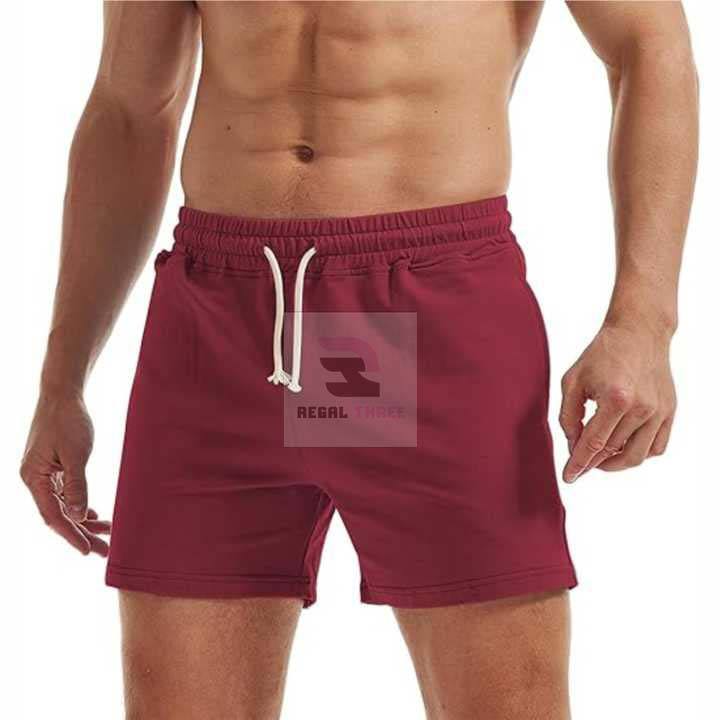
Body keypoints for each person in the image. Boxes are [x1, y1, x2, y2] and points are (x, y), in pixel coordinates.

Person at [20, 2, 698, 718]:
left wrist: (643, 322)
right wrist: (62, 383)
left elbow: (649, 46)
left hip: (422, 305)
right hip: (219, 317)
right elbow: (130, 111)